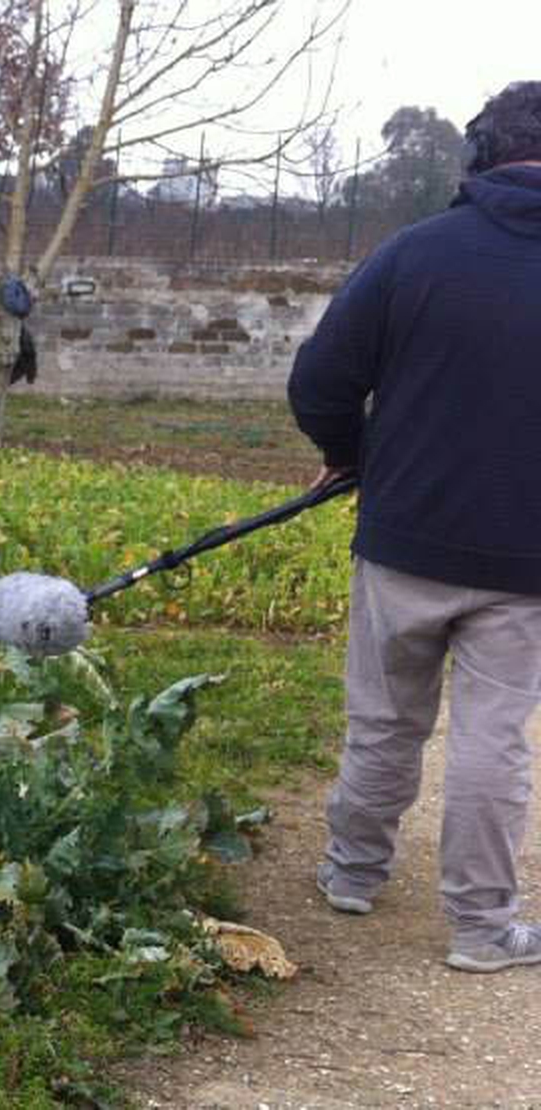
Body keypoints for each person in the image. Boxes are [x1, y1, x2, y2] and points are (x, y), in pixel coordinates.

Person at [289, 80, 541, 974]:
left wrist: (350, 454)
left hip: (403, 538)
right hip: (526, 561)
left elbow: (319, 382)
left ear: (479, 155)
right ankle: (482, 929)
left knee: (385, 719)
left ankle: (353, 871)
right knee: (493, 740)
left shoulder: (412, 253)